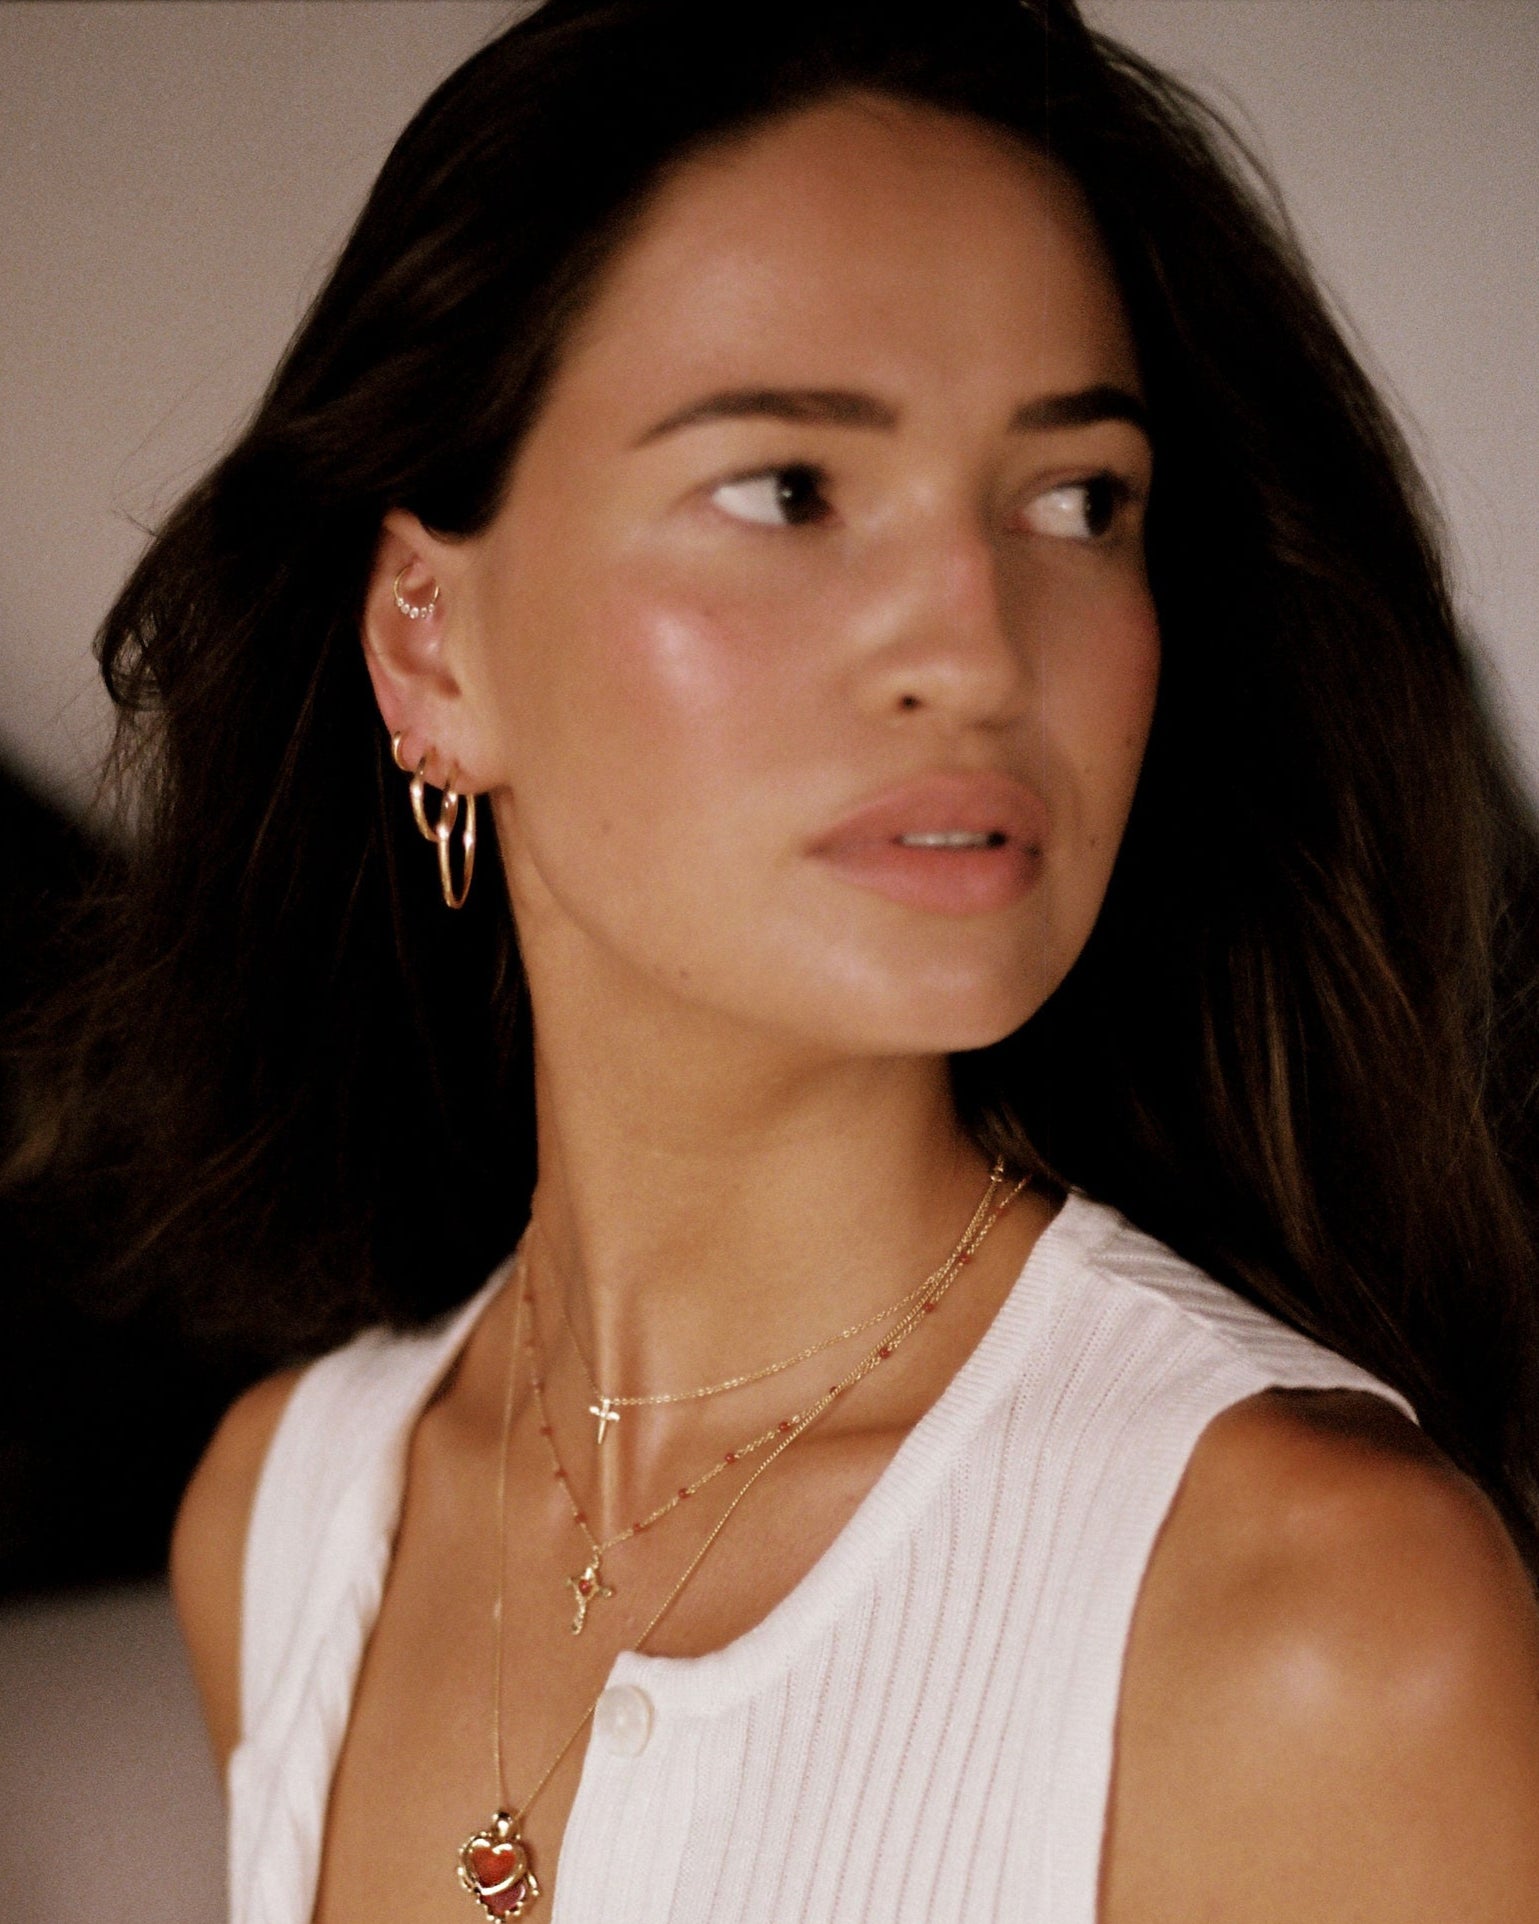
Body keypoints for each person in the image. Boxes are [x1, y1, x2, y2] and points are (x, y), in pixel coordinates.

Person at [32, 0, 1539, 1917]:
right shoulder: (288, 1519)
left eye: (1080, 500)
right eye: (793, 492)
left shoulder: (1312, 1613)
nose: (982, 650)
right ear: (432, 643)